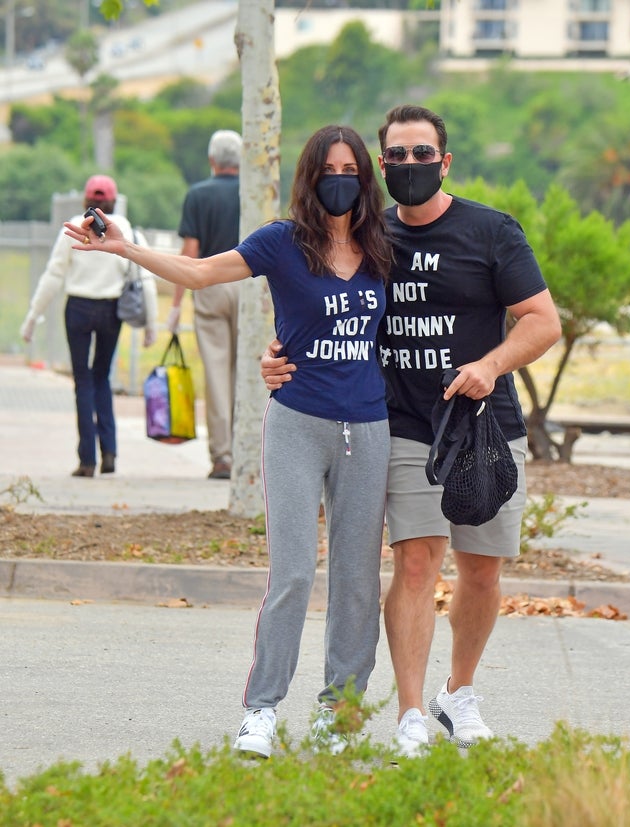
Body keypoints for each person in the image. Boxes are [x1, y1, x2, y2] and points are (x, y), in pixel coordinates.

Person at [64, 125, 394, 758]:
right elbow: (197, 270)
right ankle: (261, 711)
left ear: (366, 178)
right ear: (309, 176)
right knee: (293, 573)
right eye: (329, 168)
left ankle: (340, 713)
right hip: (298, 423)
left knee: (356, 580)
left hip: (368, 429)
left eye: (352, 168)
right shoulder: (281, 243)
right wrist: (126, 250)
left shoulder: (384, 246)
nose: (341, 179)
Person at [260, 104, 562, 756]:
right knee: (417, 562)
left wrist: (491, 363)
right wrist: (277, 357)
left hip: (484, 428)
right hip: (401, 427)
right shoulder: (370, 237)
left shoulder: (491, 231)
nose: (410, 166)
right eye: (396, 156)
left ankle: (460, 691)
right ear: (383, 162)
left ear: (444, 161)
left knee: (481, 570)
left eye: (422, 155)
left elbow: (542, 320)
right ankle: (411, 711)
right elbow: (324, 308)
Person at [20, 174, 158, 478]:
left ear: (86, 201)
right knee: (102, 378)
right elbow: (145, 279)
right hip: (111, 310)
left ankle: (86, 460)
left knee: (82, 380)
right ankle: (109, 453)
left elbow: (53, 275)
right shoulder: (125, 228)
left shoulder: (73, 226)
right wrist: (151, 325)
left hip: (79, 308)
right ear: (113, 200)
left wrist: (32, 317)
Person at [166, 130, 242, 480]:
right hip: (248, 283)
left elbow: (190, 253)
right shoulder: (253, 192)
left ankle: (222, 456)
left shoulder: (197, 195)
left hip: (210, 284)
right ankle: (248, 449)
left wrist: (176, 302)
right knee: (246, 373)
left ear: (213, 161)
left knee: (216, 372)